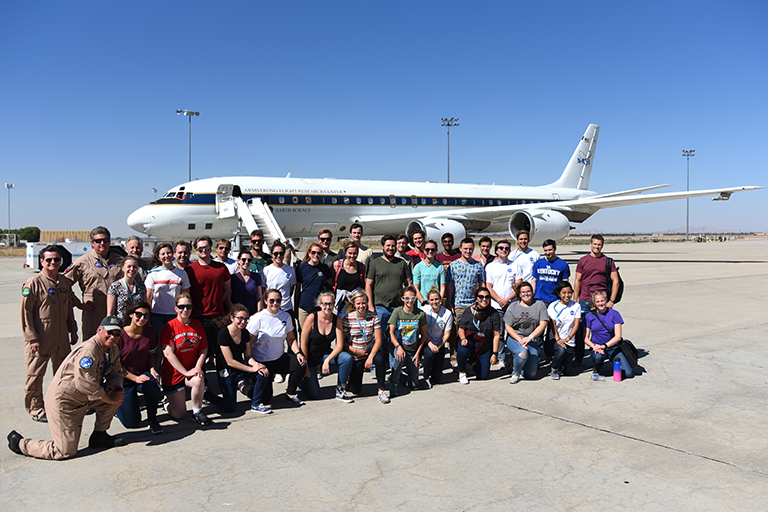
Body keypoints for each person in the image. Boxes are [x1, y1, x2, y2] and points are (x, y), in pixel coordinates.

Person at [8, 316, 126, 460]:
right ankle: (21, 444)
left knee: (117, 396)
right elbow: (86, 383)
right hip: (65, 401)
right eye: (109, 332)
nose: (113, 337)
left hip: (86, 398)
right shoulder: (89, 350)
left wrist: (117, 389)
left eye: (117, 334)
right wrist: (109, 398)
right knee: (64, 451)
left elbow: (116, 372)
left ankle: (99, 436)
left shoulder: (112, 350)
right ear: (100, 330)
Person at [20, 245, 78, 422]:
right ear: (42, 261)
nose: (53, 263)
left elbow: (68, 308)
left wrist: (73, 330)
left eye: (56, 259)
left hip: (61, 335)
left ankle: (60, 403)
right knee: (35, 374)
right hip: (41, 336)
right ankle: (36, 409)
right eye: (49, 260)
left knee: (64, 372)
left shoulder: (64, 281)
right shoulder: (33, 283)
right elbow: (26, 312)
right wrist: (32, 338)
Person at [246, 289, 305, 413]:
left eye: (278, 300)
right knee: (266, 399)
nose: (275, 303)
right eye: (272, 300)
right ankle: (243, 386)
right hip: (262, 361)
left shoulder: (285, 316)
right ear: (265, 301)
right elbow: (248, 343)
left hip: (279, 358)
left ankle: (290, 394)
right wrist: (252, 362)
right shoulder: (257, 318)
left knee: (300, 363)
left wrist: (298, 353)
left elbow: (291, 338)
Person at [160, 293, 212, 425]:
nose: (185, 310)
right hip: (173, 373)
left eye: (188, 306)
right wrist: (185, 372)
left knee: (199, 378)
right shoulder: (169, 327)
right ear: (175, 308)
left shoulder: (197, 325)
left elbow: (203, 349)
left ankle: (197, 412)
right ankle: (167, 403)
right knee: (179, 415)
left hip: (190, 371)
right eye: (181, 306)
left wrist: (198, 367)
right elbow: (168, 354)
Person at [64, 226, 122, 340]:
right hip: (92, 311)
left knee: (115, 343)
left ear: (109, 242)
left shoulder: (120, 261)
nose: (102, 243)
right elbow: (63, 284)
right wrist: (77, 303)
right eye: (98, 241)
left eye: (105, 240)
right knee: (90, 344)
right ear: (92, 243)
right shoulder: (82, 262)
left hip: (115, 311)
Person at [295, 291, 354, 403]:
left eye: (331, 304)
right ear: (320, 304)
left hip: (324, 355)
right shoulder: (312, 318)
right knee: (314, 394)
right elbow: (303, 343)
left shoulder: (337, 320)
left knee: (346, 358)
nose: (328, 307)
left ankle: (341, 389)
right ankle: (300, 380)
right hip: (310, 357)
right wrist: (306, 367)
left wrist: (327, 360)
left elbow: (340, 345)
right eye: (325, 304)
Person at [186, 235, 232, 370]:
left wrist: (217, 301)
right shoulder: (190, 269)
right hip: (198, 317)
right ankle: (202, 385)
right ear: (196, 250)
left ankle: (225, 383)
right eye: (200, 248)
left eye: (206, 247)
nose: (204, 250)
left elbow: (226, 290)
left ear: (211, 249)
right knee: (200, 354)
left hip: (218, 316)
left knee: (221, 352)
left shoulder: (221, 268)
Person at [115, 302, 162, 434]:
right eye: (138, 314)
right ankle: (116, 405)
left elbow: (151, 353)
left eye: (146, 315)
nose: (142, 318)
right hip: (124, 377)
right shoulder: (120, 336)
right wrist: (134, 378)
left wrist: (152, 368)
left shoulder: (151, 333)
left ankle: (153, 420)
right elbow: (116, 365)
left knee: (152, 386)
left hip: (142, 372)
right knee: (132, 423)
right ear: (131, 314)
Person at [573, 234, 620, 366]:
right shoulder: (583, 261)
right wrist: (575, 299)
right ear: (590, 244)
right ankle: (579, 357)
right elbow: (577, 280)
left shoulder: (608, 261)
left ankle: (603, 352)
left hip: (602, 302)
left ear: (602, 245)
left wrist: (612, 300)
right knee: (581, 330)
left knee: (604, 328)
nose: (596, 247)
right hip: (585, 301)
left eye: (599, 244)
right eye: (594, 244)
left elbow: (615, 281)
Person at [206, 304, 259, 414]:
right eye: (240, 318)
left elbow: (248, 356)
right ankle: (206, 394)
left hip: (240, 366)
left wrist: (256, 365)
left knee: (262, 373)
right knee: (230, 408)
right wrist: (250, 369)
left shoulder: (244, 332)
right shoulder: (223, 334)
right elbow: (229, 361)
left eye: (245, 319)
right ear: (232, 318)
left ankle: (255, 399)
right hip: (226, 369)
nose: (243, 322)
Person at [365, 234, 412, 355]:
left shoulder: (402, 263)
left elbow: (408, 284)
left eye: (393, 246)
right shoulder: (375, 263)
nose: (391, 248)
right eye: (388, 246)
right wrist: (370, 305)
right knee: (378, 337)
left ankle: (395, 367)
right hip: (380, 307)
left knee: (399, 337)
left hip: (398, 307)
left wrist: (409, 303)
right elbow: (368, 285)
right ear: (382, 246)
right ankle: (376, 364)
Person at [341, 291, 388, 403]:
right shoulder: (348, 318)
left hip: (370, 349)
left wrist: (371, 357)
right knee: (356, 390)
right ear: (354, 305)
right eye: (358, 303)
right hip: (356, 352)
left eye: (363, 303)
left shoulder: (373, 317)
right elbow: (342, 342)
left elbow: (378, 340)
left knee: (380, 359)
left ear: (367, 303)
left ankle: (381, 390)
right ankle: (351, 383)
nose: (361, 306)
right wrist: (356, 351)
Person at [531, 239, 571, 360]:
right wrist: (532, 297)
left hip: (554, 301)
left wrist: (564, 300)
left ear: (555, 249)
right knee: (538, 328)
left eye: (550, 250)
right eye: (546, 250)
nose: (548, 253)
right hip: (540, 300)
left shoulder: (563, 265)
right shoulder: (538, 263)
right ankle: (536, 353)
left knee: (552, 330)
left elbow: (565, 284)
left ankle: (549, 354)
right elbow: (534, 281)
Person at [505, 281, 549, 384]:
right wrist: (520, 339)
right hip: (515, 338)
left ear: (532, 292)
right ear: (519, 294)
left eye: (528, 291)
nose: (526, 294)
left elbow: (543, 324)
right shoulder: (513, 306)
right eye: (523, 292)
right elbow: (508, 326)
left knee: (531, 375)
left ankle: (518, 364)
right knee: (522, 354)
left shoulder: (539, 305)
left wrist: (529, 337)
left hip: (531, 339)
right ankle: (515, 372)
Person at [484, 239, 519, 369]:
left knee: (512, 334)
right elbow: (489, 286)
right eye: (501, 248)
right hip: (496, 306)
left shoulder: (515, 265)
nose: (504, 250)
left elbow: (518, 284)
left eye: (507, 248)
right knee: (498, 333)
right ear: (496, 250)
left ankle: (512, 357)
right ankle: (501, 358)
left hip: (511, 306)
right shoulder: (491, 266)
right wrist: (500, 300)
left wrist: (508, 299)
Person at [584, 290, 634, 378]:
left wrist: (604, 346)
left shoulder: (615, 314)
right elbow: (586, 338)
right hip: (597, 347)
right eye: (597, 301)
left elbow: (618, 337)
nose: (600, 303)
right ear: (594, 303)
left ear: (606, 300)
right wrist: (594, 346)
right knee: (598, 357)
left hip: (613, 347)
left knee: (628, 374)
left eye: (602, 301)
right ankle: (598, 365)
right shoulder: (589, 316)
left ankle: (614, 361)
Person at [388, 286, 427, 396]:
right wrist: (398, 347)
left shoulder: (420, 314)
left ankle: (397, 375)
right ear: (402, 298)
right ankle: (393, 383)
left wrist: (418, 353)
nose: (410, 301)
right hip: (399, 346)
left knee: (414, 384)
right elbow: (390, 333)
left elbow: (423, 335)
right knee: (400, 357)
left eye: (413, 298)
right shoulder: (397, 312)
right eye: (407, 298)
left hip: (413, 349)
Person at [144, 242, 191, 333]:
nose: (166, 256)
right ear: (159, 257)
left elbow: (186, 296)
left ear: (173, 254)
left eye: (168, 253)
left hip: (175, 315)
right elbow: (148, 298)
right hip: (157, 315)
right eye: (163, 254)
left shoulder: (182, 273)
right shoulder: (153, 274)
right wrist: (147, 317)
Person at [456, 287, 500, 384]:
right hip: (470, 340)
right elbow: (461, 328)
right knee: (462, 349)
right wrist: (463, 338)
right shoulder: (469, 311)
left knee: (483, 376)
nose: (484, 299)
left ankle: (473, 364)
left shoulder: (494, 313)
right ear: (476, 298)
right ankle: (462, 372)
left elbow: (496, 335)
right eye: (481, 297)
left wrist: (495, 354)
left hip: (485, 344)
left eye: (487, 297)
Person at [547, 282, 581, 380]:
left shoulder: (576, 306)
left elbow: (576, 324)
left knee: (567, 371)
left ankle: (561, 363)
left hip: (569, 339)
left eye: (569, 292)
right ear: (559, 294)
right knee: (561, 350)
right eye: (564, 293)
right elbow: (552, 325)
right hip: (556, 339)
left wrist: (567, 338)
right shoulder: (553, 306)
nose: (567, 295)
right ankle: (554, 368)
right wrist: (558, 339)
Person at [420, 288, 452, 388]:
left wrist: (438, 346)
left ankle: (430, 370)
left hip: (439, 343)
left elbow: (446, 334)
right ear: (428, 301)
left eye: (437, 299)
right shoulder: (424, 311)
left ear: (441, 299)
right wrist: (430, 344)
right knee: (429, 352)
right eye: (432, 300)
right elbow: (422, 331)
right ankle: (426, 377)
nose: (434, 302)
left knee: (437, 379)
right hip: (426, 341)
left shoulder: (447, 313)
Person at [296, 242, 332, 328]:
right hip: (304, 306)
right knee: (304, 334)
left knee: (317, 335)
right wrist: (296, 306)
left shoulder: (324, 268)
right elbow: (297, 289)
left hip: (319, 307)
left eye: (319, 253)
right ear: (309, 253)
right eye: (313, 252)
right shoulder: (301, 268)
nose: (316, 255)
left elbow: (332, 284)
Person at [107, 255, 147, 321]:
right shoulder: (115, 286)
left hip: (138, 324)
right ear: (123, 268)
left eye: (134, 267)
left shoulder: (141, 286)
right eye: (129, 266)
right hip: (121, 324)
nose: (132, 269)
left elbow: (145, 307)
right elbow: (110, 313)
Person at [332, 241, 366, 314]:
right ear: (345, 253)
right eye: (350, 253)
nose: (352, 256)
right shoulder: (337, 265)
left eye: (355, 253)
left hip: (356, 303)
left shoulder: (361, 267)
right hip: (342, 303)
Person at [412, 239, 446, 306]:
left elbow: (442, 287)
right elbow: (416, 288)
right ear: (424, 251)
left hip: (436, 304)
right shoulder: (418, 267)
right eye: (427, 249)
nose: (430, 251)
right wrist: (424, 302)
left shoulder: (440, 267)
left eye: (432, 250)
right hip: (422, 304)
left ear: (436, 251)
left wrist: (439, 301)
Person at [230, 250, 261, 315]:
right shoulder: (232, 278)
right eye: (244, 259)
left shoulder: (256, 277)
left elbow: (259, 296)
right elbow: (228, 299)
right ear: (238, 261)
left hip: (252, 314)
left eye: (249, 260)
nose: (246, 262)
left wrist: (258, 313)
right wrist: (234, 312)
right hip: (236, 315)